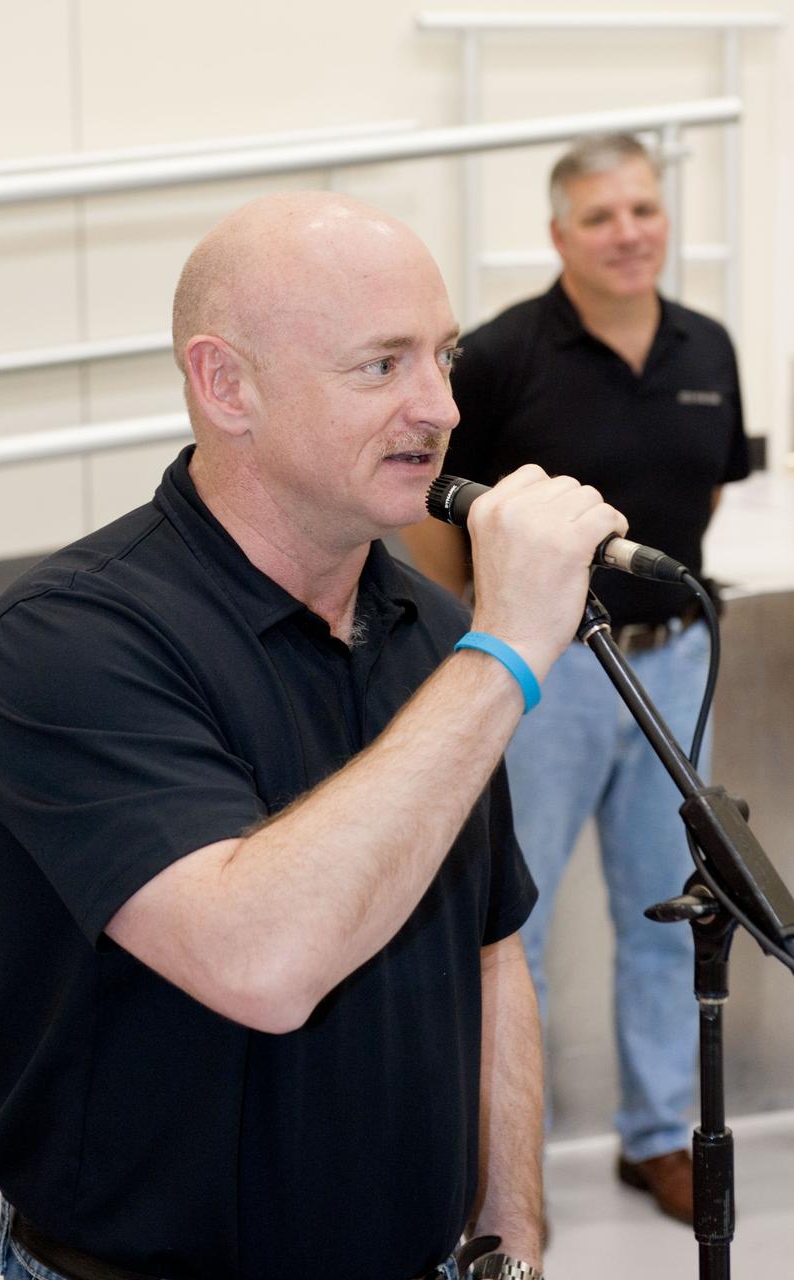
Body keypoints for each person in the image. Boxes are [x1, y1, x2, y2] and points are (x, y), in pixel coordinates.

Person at [0, 191, 626, 1280]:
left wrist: (509, 1237)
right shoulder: (68, 642)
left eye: (443, 356)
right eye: (382, 365)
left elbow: (490, 949)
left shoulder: (435, 632)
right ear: (227, 386)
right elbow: (261, 962)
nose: (441, 405)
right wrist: (507, 648)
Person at [402, 133, 751, 1227]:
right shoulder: (501, 357)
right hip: (541, 676)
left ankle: (655, 1137)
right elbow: (433, 514)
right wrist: (490, 636)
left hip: (670, 669)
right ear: (558, 234)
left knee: (670, 912)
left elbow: (720, 489)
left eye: (643, 209)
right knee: (517, 925)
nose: (628, 232)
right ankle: (508, 1168)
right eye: (600, 216)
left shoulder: (709, 345)